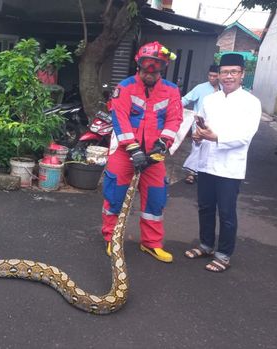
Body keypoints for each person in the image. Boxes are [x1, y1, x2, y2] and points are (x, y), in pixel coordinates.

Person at [101, 41, 183, 263]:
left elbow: (175, 118)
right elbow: (120, 118)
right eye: (146, 68)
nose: (149, 74)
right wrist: (134, 148)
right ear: (138, 66)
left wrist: (163, 143)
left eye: (155, 69)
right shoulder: (124, 87)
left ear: (161, 69)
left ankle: (151, 243)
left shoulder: (172, 90)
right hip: (125, 153)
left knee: (155, 200)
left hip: (154, 156)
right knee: (115, 196)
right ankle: (112, 238)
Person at [184, 53, 261, 273]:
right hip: (207, 163)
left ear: (242, 74)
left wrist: (215, 137)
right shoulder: (210, 100)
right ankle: (206, 245)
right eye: (224, 72)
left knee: (226, 212)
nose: (228, 76)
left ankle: (224, 254)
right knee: (205, 207)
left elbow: (245, 136)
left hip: (230, 167)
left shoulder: (251, 103)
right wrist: (197, 136)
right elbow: (199, 125)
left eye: (233, 72)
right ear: (218, 75)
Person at [181, 65, 220, 184]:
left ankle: (204, 173)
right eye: (210, 75)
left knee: (210, 150)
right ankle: (191, 174)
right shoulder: (200, 88)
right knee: (196, 148)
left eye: (214, 76)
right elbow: (185, 100)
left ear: (219, 76)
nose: (212, 78)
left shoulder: (224, 90)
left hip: (216, 126)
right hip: (200, 124)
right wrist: (173, 108)